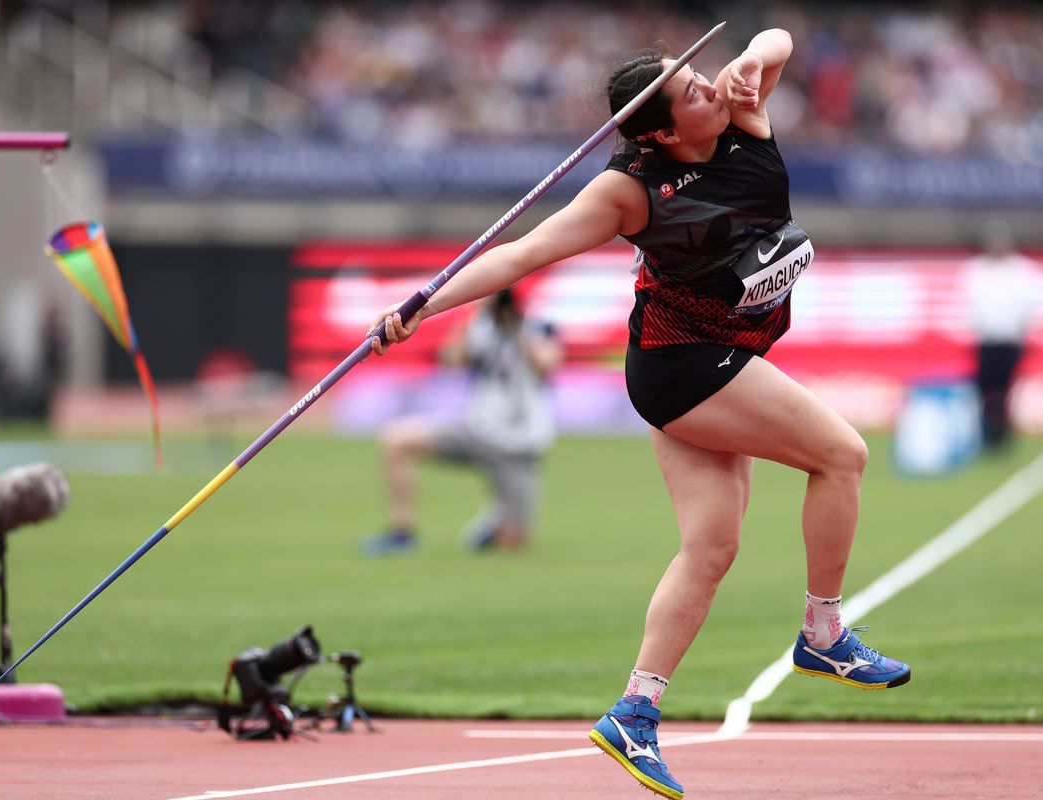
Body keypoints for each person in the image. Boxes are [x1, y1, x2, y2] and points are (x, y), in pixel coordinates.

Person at [367, 28, 910, 800]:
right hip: (683, 367)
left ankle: (635, 710)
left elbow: (777, 38)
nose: (708, 89)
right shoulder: (628, 192)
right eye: (690, 91)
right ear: (658, 132)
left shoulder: (742, 116)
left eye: (700, 74)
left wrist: (755, 60)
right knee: (842, 455)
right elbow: (521, 255)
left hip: (720, 361)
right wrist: (420, 306)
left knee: (710, 549)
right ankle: (823, 633)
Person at [362, 288, 562, 555]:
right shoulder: (480, 327)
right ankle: (402, 533)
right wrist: (474, 315)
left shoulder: (537, 327)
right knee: (397, 440)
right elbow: (452, 360)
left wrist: (515, 328)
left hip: (519, 444)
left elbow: (547, 365)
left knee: (512, 542)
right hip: (479, 429)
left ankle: (495, 521)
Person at [961, 220, 1043, 452]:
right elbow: (972, 307)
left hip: (1010, 341)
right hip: (986, 341)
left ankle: (1004, 437)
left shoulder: (1021, 271)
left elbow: (1028, 306)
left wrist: (1022, 331)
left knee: (1006, 391)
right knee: (984, 391)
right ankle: (986, 435)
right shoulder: (976, 270)